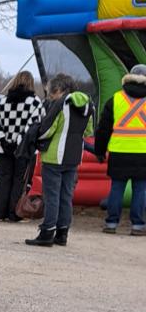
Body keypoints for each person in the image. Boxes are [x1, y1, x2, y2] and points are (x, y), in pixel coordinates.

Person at [24, 73, 93, 247]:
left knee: (52, 196)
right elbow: (88, 131)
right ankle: (62, 233)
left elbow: (47, 129)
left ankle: (47, 232)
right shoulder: (87, 105)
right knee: (66, 196)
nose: (50, 97)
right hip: (74, 157)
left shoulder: (61, 105)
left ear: (59, 89)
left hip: (55, 156)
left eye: (51, 93)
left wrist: (37, 136)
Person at [94, 63, 146, 236]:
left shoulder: (115, 99)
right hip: (143, 153)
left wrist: (99, 151)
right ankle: (138, 226)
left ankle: (111, 223)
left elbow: (103, 129)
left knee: (117, 188)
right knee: (140, 189)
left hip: (119, 152)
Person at [0, 71, 45, 221]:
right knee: (19, 180)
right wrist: (17, 142)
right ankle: (14, 213)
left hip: (4, 148)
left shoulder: (4, 101)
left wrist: (4, 141)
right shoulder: (35, 103)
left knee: (4, 179)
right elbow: (33, 127)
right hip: (23, 150)